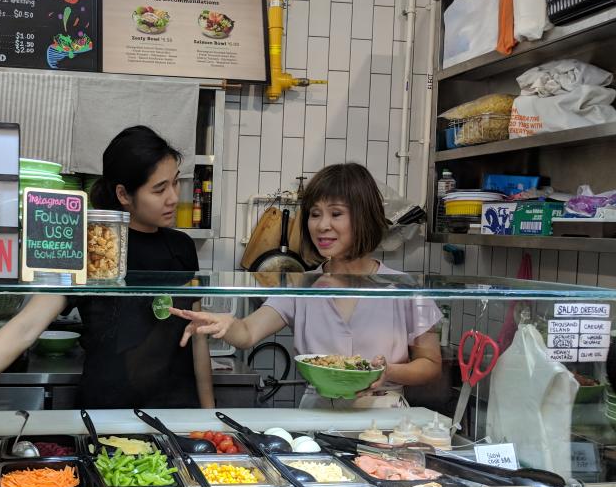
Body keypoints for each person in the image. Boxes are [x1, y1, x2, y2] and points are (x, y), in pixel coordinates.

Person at [0, 126, 213, 424]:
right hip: (107, 416)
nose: (173, 197)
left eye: (175, 183)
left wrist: (210, 416)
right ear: (124, 195)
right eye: (159, 189)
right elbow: (25, 327)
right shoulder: (88, 245)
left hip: (178, 415)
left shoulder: (181, 247)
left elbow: (197, 337)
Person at [173, 162, 441, 408]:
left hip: (385, 417)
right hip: (318, 413)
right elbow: (247, 333)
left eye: (336, 213)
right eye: (315, 214)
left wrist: (389, 372)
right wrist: (224, 324)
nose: (322, 225)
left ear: (363, 217)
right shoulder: (301, 284)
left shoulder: (404, 287)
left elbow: (430, 364)